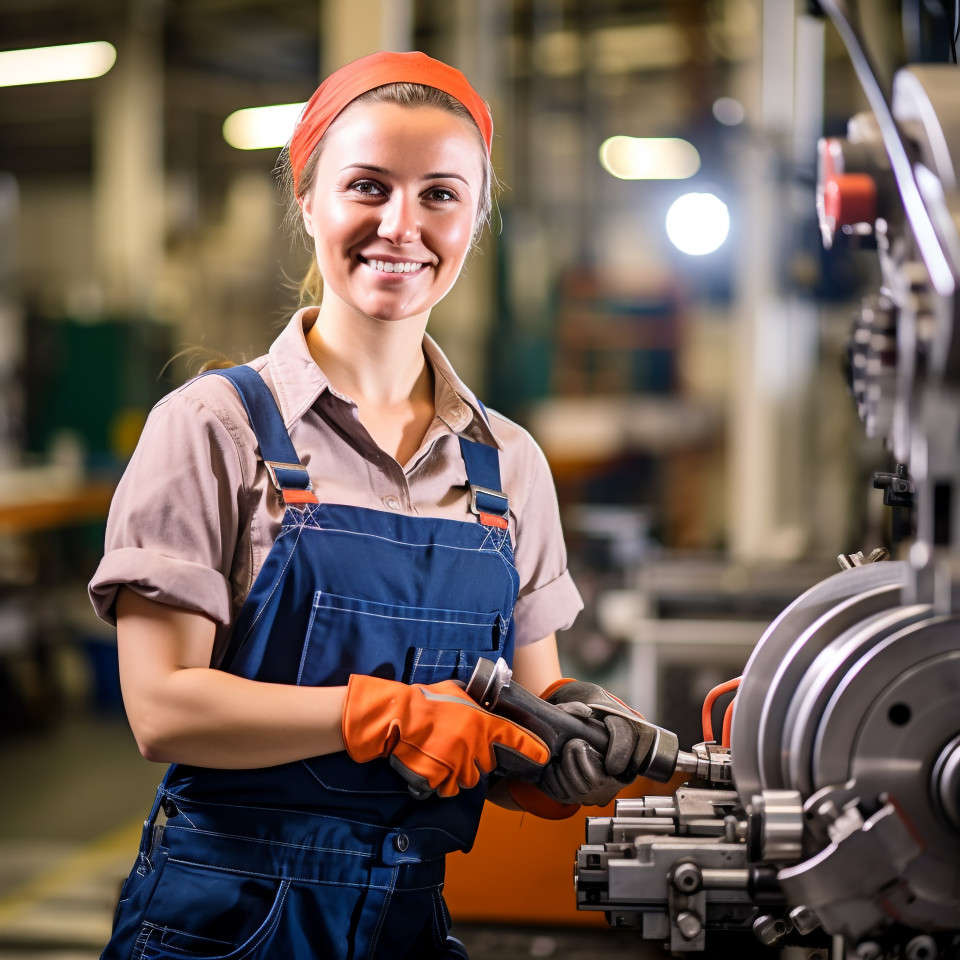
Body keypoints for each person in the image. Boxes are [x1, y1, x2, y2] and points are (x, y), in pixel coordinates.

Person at [89, 50, 652, 960]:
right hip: (223, 927)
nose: (403, 224)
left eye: (440, 194)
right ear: (307, 200)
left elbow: (521, 706)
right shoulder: (213, 427)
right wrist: (383, 713)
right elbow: (162, 710)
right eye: (367, 186)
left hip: (408, 924)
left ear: (476, 217)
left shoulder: (509, 465)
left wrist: (566, 751)